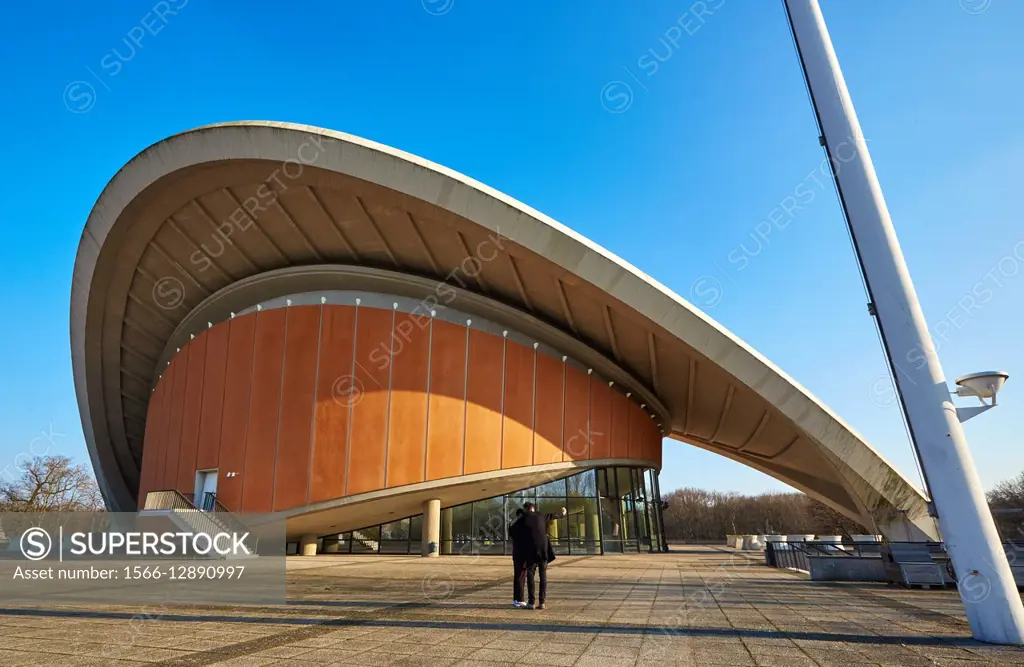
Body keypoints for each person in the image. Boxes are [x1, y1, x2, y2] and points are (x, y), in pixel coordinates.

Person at [517, 502, 566, 610]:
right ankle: (542, 602)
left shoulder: (524, 518)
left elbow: (516, 531)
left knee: (530, 574)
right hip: (543, 549)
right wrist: (563, 513)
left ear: (526, 509)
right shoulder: (541, 515)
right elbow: (554, 515)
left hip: (531, 549)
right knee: (543, 574)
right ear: (534, 508)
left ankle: (531, 602)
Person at [508, 508, 528, 607]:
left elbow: (511, 534)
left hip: (516, 554)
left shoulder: (513, 525)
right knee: (521, 577)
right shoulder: (523, 526)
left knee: (517, 577)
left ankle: (516, 599)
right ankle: (520, 599)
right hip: (523, 555)